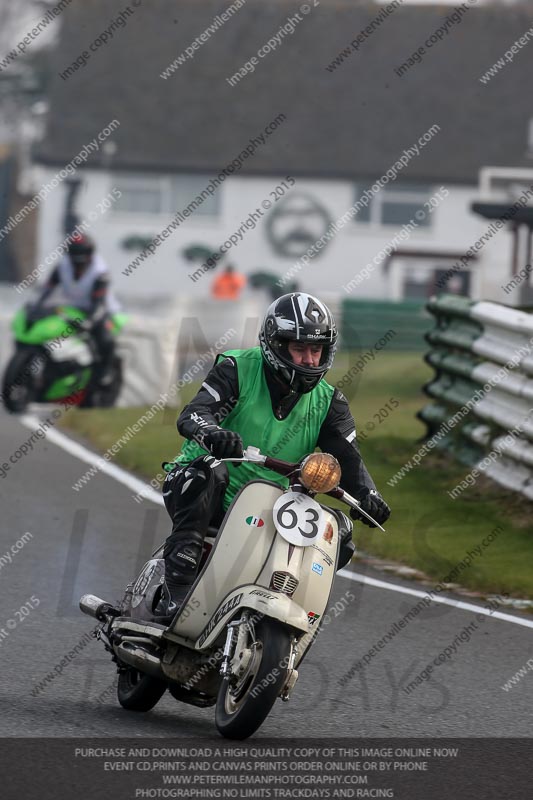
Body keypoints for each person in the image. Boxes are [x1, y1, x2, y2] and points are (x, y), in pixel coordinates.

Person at [155, 292, 391, 621]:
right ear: (275, 346)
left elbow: (349, 459)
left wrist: (369, 494)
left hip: (271, 508)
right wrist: (212, 433)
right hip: (203, 488)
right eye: (299, 348)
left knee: (340, 533)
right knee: (206, 473)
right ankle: (175, 589)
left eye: (316, 349)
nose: (310, 360)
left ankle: (290, 608)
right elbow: (193, 415)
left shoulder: (329, 401)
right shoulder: (236, 368)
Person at [33, 233, 120, 386]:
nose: (78, 264)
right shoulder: (62, 267)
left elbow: (99, 304)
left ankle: (105, 372)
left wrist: (90, 322)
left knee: (105, 339)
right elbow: (47, 290)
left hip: (99, 310)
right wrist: (37, 307)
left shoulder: (100, 272)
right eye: (74, 257)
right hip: (72, 308)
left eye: (82, 258)